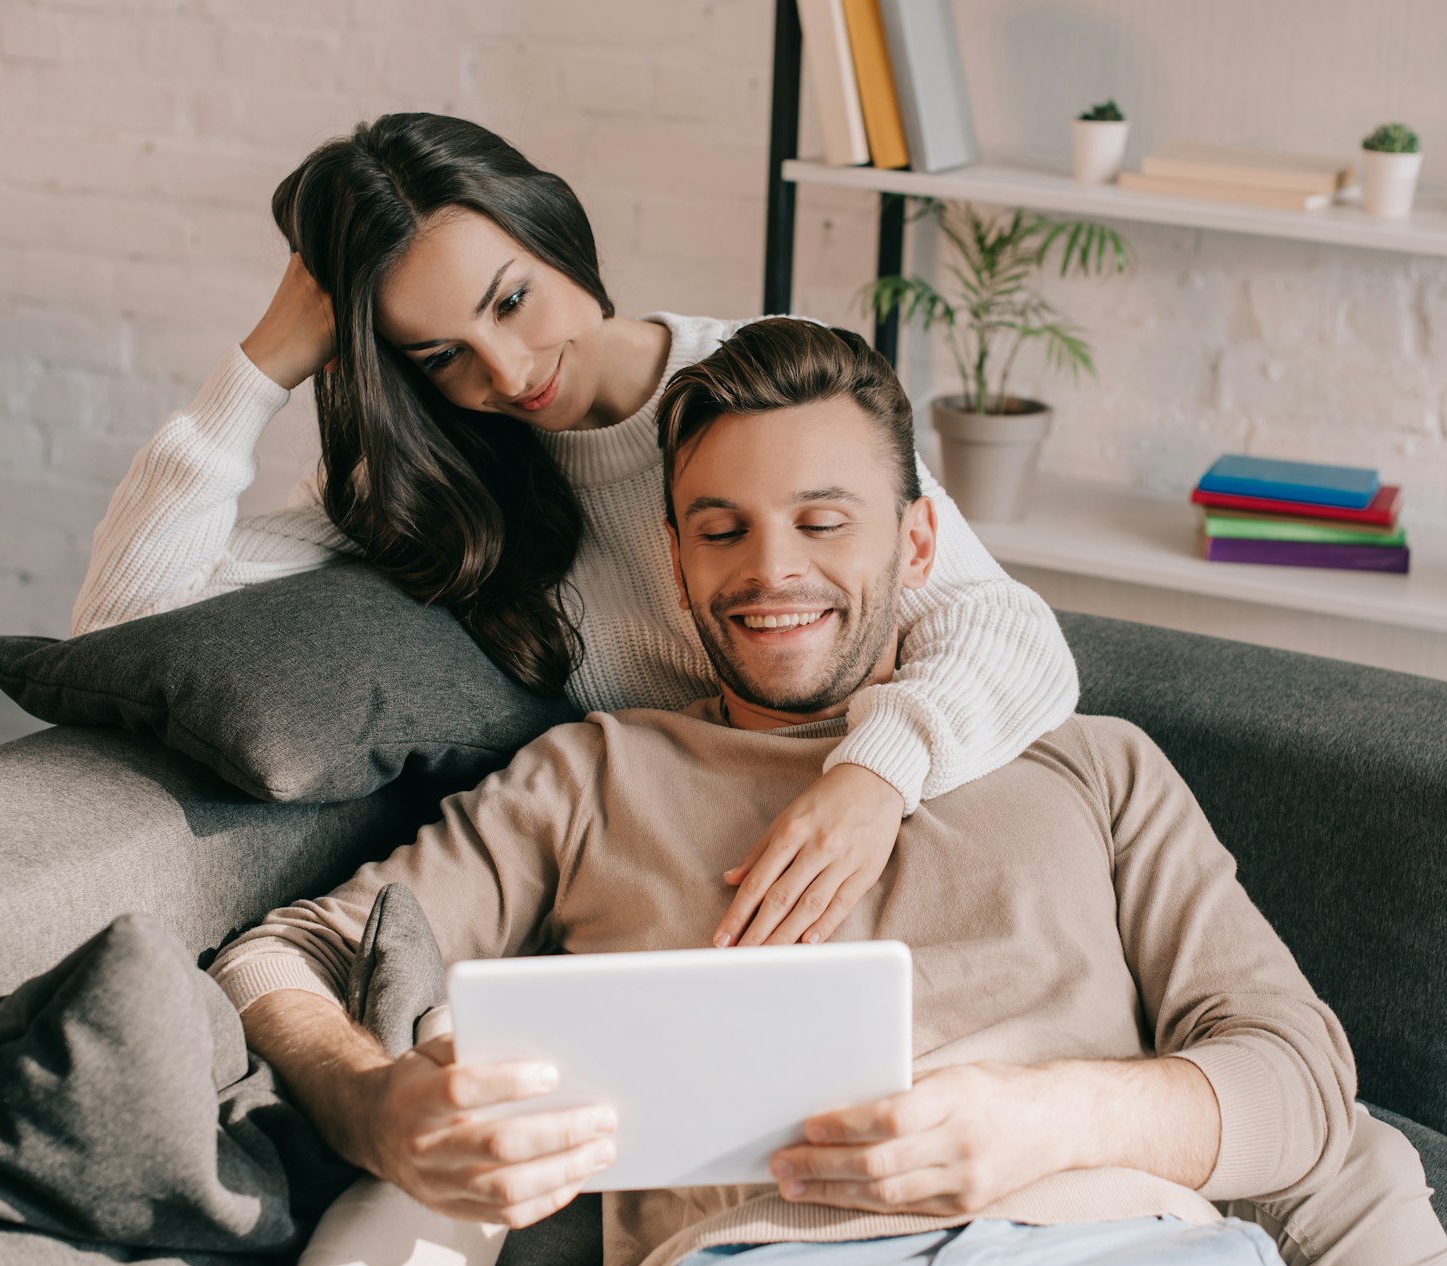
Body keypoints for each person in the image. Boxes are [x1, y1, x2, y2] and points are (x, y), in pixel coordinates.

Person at [211, 319, 1447, 1266]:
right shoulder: (594, 774)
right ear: (675, 557)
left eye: (824, 522)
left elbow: (1301, 1085)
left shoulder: (1091, 766)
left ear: (920, 537)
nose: (773, 569)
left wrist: (1045, 1118)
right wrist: (372, 1099)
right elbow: (282, 951)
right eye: (724, 529)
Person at [73, 112, 1078, 953]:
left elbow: (1007, 629)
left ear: (552, 226)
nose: (506, 374)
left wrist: (871, 777)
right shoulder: (445, 480)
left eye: (510, 301)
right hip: (678, 885)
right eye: (441, 356)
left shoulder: (759, 388)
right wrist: (264, 363)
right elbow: (124, 623)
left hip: (888, 836)